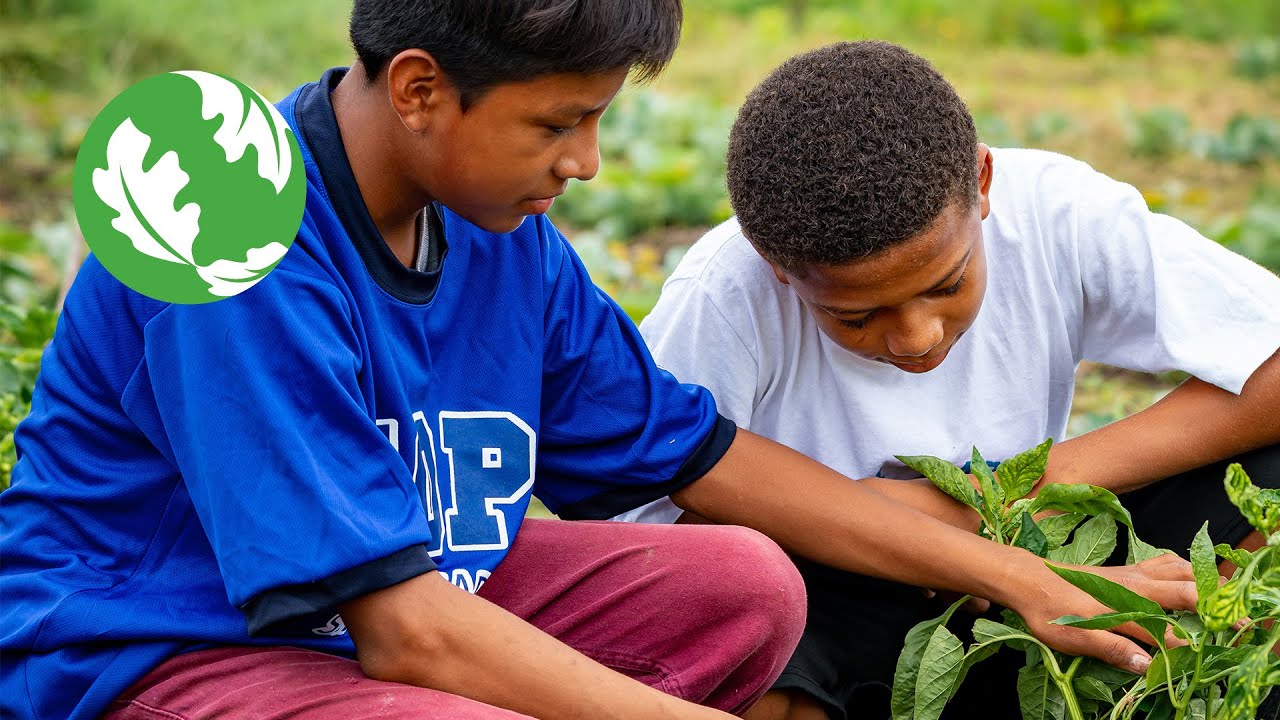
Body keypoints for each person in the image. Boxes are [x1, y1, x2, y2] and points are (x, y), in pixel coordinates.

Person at [0, 8, 1199, 720]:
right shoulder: (223, 222)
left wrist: (1008, 573)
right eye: (557, 122)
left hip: (404, 617)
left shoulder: (499, 231)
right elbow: (403, 634)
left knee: (744, 583)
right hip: (164, 647)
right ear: (421, 87)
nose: (584, 162)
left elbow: (704, 454)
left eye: (600, 121)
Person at [617, 41, 1280, 720]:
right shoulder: (724, 297)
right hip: (849, 593)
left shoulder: (1060, 215)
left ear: (983, 183)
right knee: (747, 618)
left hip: (1049, 551)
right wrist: (917, 538)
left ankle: (1187, 682)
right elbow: (657, 529)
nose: (916, 337)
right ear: (776, 264)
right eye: (855, 316)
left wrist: (1033, 490)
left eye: (947, 284)